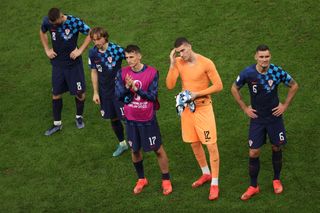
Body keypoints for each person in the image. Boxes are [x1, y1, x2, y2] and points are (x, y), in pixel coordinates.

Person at [231, 44, 299, 200]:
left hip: (274, 118)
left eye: (267, 56)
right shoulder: (248, 73)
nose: (264, 60)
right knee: (253, 151)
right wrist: (244, 108)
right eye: (261, 57)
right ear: (256, 57)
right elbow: (234, 88)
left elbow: (294, 85)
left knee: (276, 147)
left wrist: (285, 105)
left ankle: (276, 179)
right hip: (257, 119)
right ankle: (253, 186)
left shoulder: (276, 71)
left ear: (270, 57)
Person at [166, 37, 223, 200]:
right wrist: (171, 63)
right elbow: (170, 85)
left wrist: (197, 94)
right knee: (194, 143)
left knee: (211, 145)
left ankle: (215, 183)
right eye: (178, 52)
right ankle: (205, 173)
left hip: (203, 107)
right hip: (187, 110)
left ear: (190, 46)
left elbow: (219, 86)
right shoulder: (178, 62)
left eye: (183, 50)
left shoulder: (206, 63)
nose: (181, 55)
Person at [115, 45, 172, 195]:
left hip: (147, 119)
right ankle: (141, 179)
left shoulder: (152, 73)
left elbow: (153, 96)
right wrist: (127, 87)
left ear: (139, 56)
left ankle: (166, 179)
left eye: (131, 57)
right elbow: (120, 96)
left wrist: (136, 88)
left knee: (157, 149)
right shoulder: (122, 73)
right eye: (126, 57)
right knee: (135, 150)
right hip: (131, 119)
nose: (128, 60)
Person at [39, 8, 91, 136]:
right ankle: (57, 124)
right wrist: (47, 49)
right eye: (52, 24)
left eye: (56, 23)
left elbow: (91, 33)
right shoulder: (48, 21)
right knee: (56, 93)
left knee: (80, 93)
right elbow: (42, 31)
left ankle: (79, 117)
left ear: (61, 17)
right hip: (58, 64)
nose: (54, 25)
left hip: (74, 65)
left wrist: (80, 50)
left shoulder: (74, 22)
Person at [88, 27, 128, 157]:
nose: (96, 42)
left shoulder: (116, 50)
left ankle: (136, 142)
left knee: (127, 118)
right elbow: (94, 71)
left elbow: (131, 61)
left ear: (105, 37)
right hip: (105, 92)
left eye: (98, 39)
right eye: (94, 40)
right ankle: (122, 144)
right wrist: (95, 92)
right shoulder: (93, 53)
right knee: (113, 118)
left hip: (119, 91)